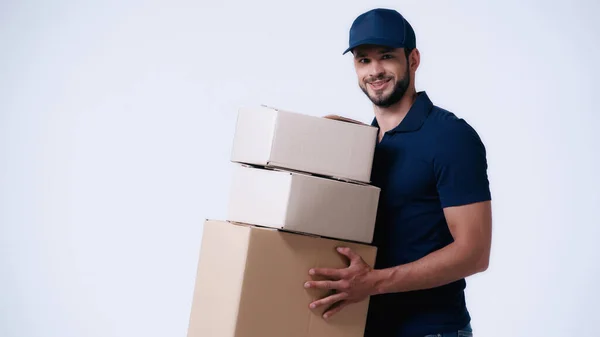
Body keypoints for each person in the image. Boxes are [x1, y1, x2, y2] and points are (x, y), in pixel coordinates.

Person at [303, 8, 493, 337]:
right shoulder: (363, 143)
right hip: (363, 326)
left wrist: (374, 282)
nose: (375, 71)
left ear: (413, 59)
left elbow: (474, 253)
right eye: (364, 60)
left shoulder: (450, 137)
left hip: (432, 330)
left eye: (387, 56)